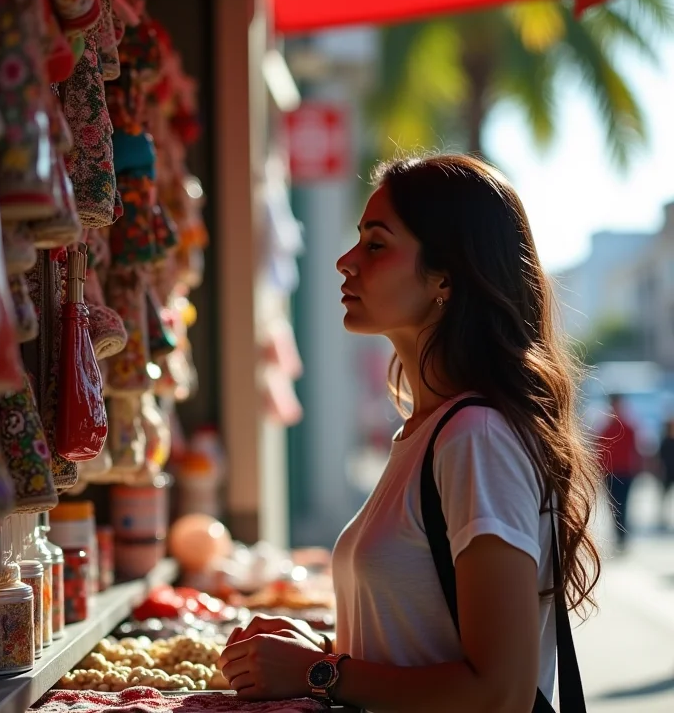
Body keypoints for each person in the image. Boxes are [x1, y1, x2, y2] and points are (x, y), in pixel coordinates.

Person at [217, 154, 602, 712]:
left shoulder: (476, 438)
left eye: (376, 244)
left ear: (446, 274)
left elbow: (501, 693)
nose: (346, 262)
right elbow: (421, 650)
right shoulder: (427, 432)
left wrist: (321, 672)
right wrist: (318, 653)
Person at [597, 393, 640, 550]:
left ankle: (622, 535)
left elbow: (635, 450)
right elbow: (600, 452)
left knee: (623, 504)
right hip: (611, 472)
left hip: (625, 472)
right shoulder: (605, 429)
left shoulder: (627, 427)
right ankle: (619, 534)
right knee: (615, 504)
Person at [655, 416, 674, 530]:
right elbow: (659, 459)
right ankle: (662, 518)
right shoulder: (664, 441)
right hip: (666, 473)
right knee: (664, 497)